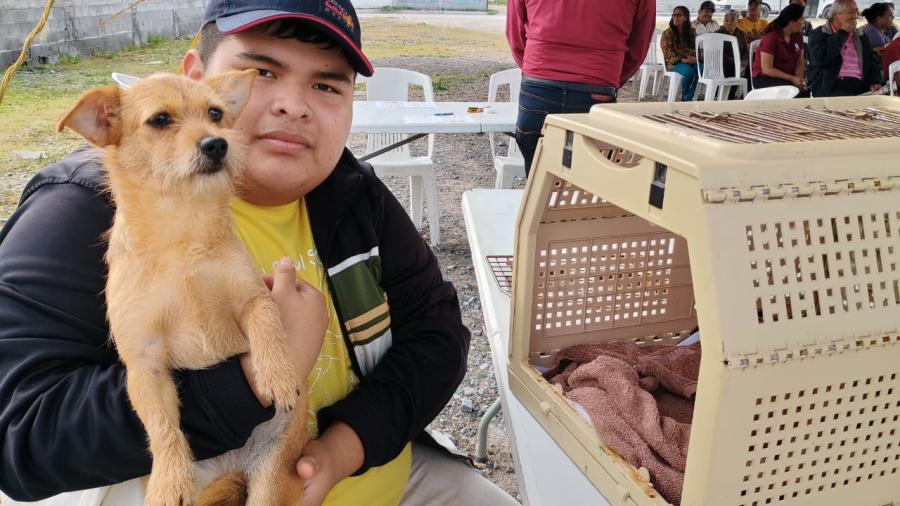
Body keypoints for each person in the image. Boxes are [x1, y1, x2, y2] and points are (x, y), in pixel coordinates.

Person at [0, 1, 519, 505]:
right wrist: (247, 380)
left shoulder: (354, 193)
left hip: (373, 471)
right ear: (197, 75)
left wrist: (340, 450)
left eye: (326, 85)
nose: (294, 105)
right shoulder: (83, 208)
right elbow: (17, 433)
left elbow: (439, 336)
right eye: (263, 73)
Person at [506, 0, 655, 175]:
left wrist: (534, 70)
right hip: (597, 87)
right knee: (587, 179)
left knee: (537, 179)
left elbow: (515, 35)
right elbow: (640, 44)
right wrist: (611, 79)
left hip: (539, 86)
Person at [808, 0, 884, 96]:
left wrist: (875, 81)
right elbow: (820, 59)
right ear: (836, 14)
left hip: (859, 84)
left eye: (856, 12)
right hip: (831, 86)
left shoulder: (861, 37)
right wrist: (841, 33)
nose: (854, 16)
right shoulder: (819, 34)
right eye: (850, 12)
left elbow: (872, 62)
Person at [750, 3, 810, 96]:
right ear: (792, 22)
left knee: (804, 92)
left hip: (787, 78)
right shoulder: (772, 37)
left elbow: (800, 62)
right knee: (792, 91)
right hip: (764, 78)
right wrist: (791, 78)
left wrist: (798, 80)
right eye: (801, 19)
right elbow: (767, 69)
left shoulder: (798, 37)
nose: (804, 22)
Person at [661, 5, 700, 101]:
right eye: (673, 15)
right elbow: (668, 54)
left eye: (679, 15)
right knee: (689, 72)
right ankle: (686, 97)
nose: (675, 17)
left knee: (703, 70)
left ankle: (689, 95)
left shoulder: (691, 32)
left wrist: (694, 58)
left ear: (685, 18)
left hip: (690, 60)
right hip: (674, 62)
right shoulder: (668, 33)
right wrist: (684, 60)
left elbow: (696, 49)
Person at [717, 9, 750, 79]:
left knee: (750, 68)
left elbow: (745, 51)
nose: (729, 23)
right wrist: (736, 61)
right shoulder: (717, 34)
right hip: (723, 64)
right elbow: (718, 54)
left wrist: (744, 61)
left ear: (737, 22)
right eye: (726, 20)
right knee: (732, 69)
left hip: (739, 63)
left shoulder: (741, 34)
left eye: (732, 20)